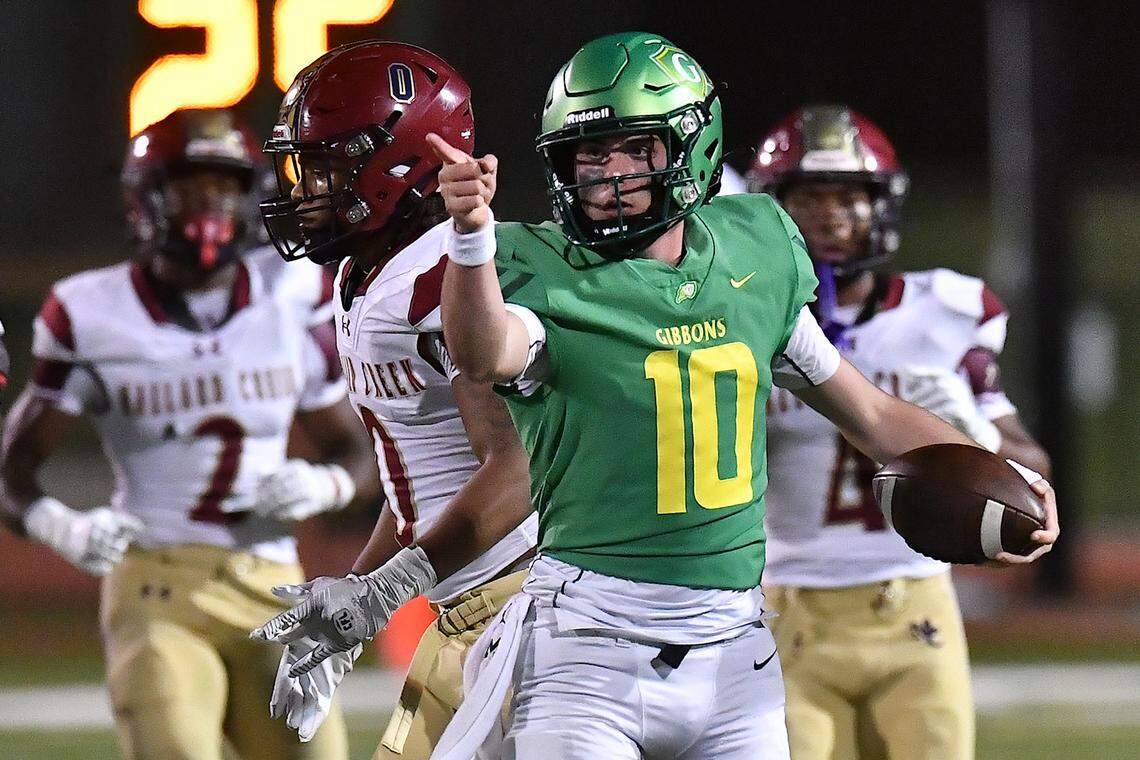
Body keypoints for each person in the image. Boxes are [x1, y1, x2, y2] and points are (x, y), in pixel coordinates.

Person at [255, 32, 1059, 760]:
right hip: (577, 630)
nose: (606, 180)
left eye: (631, 152)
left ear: (690, 146)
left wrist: (998, 469)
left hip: (719, 643)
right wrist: (362, 596)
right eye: (586, 157)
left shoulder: (755, 253)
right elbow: (477, 372)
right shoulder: (539, 273)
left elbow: (871, 412)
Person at [0, 108, 373, 760]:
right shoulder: (89, 312)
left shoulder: (292, 292)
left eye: (225, 185)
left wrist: (327, 482)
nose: (210, 203)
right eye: (188, 186)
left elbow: (355, 449)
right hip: (157, 587)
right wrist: (64, 525)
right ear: (146, 197)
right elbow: (14, 467)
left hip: (276, 584)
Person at [255, 41, 537, 758]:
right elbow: (417, 481)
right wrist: (352, 602)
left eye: (323, 167)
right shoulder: (368, 276)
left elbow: (520, 467)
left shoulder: (443, 277)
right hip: (465, 608)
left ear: (399, 163)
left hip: (525, 605)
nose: (302, 191)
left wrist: (384, 592)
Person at [749, 105, 1052, 760]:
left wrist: (975, 436)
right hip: (784, 608)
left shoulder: (942, 312)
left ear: (880, 206)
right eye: (809, 199)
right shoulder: (746, 322)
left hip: (914, 607)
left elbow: (1033, 471)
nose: (830, 217)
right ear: (773, 210)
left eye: (848, 198)